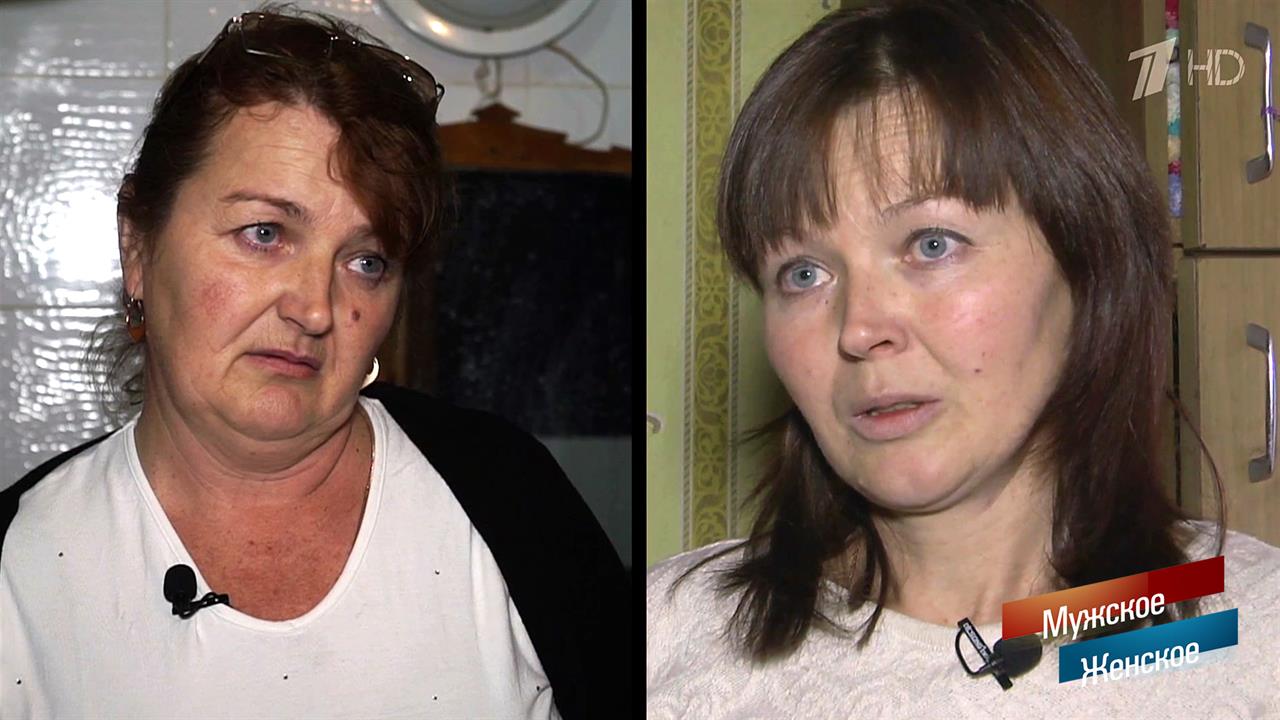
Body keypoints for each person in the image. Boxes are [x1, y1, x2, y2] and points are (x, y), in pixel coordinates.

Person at [647, 1, 1280, 717]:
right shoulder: (665, 644)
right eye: (804, 273)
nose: (860, 328)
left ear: (1088, 266)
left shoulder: (1252, 642)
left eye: (932, 244)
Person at [0, 8, 627, 719]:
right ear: (137, 248)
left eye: (366, 261)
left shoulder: (509, 497)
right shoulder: (22, 564)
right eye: (264, 233)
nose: (316, 308)